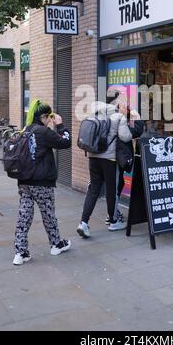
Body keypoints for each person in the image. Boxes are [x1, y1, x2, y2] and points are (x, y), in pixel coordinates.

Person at [13, 99, 72, 265]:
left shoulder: (26, 130)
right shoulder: (43, 132)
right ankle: (56, 245)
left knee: (24, 216)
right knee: (48, 214)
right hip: (41, 182)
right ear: (44, 116)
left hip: (24, 181)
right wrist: (60, 126)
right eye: (50, 116)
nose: (51, 119)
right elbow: (65, 142)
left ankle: (20, 252)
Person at [77, 95, 132, 238]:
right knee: (111, 191)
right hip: (109, 159)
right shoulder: (118, 117)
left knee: (93, 189)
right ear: (116, 104)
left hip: (93, 157)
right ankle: (113, 221)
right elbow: (125, 137)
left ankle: (83, 222)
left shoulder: (94, 114)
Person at [105, 107, 144, 225]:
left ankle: (112, 213)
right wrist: (137, 119)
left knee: (115, 186)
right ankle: (112, 218)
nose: (127, 110)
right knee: (116, 187)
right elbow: (134, 133)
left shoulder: (109, 120)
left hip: (108, 157)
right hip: (115, 158)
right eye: (124, 108)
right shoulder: (118, 122)